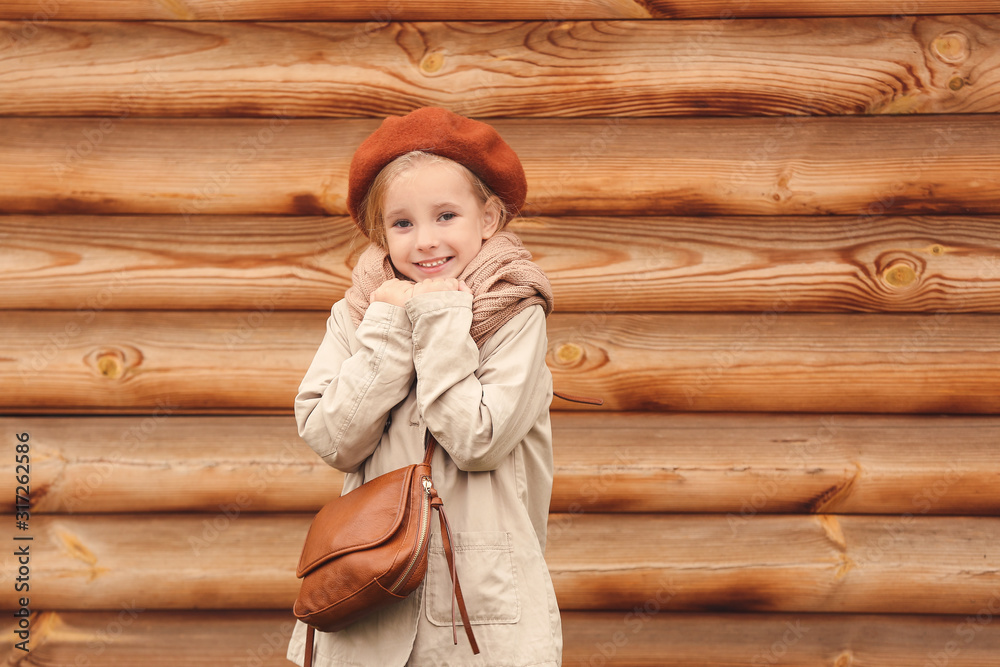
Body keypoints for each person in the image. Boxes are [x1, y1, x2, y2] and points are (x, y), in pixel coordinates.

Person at [285, 107, 561, 666]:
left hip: (475, 605)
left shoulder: (514, 314)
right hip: (369, 596)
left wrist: (437, 318)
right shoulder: (360, 313)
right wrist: (388, 329)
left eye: (446, 216)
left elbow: (477, 441)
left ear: (487, 218)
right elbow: (334, 439)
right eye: (403, 223)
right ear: (380, 232)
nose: (425, 241)